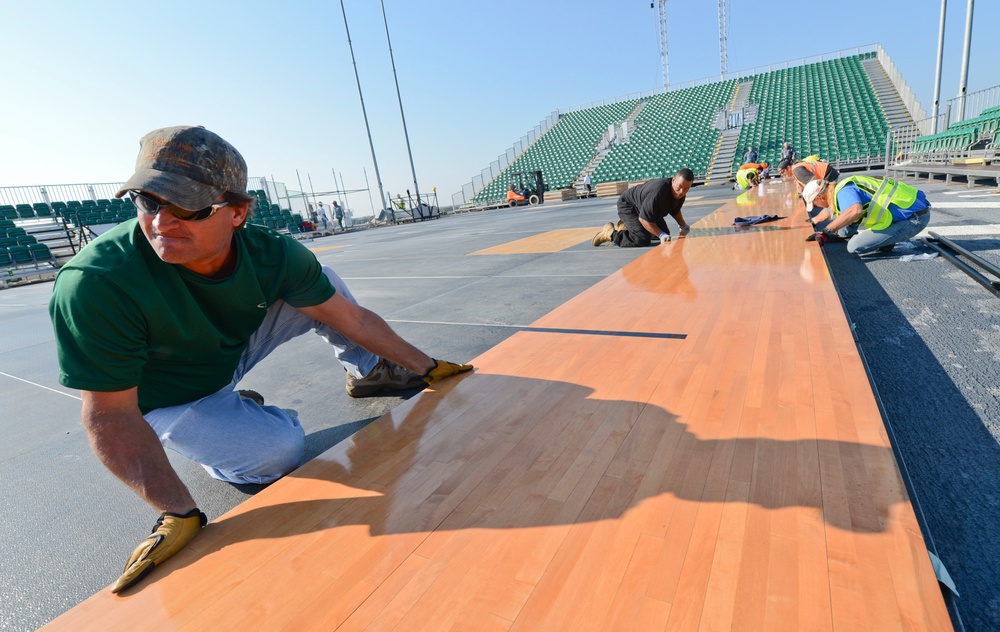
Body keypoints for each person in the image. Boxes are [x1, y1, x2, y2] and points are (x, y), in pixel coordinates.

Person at [47, 125, 473, 593]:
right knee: (276, 453)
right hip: (164, 397)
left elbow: (350, 318)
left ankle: (370, 373)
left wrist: (426, 365)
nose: (162, 222)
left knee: (319, 282)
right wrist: (177, 512)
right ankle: (219, 418)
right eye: (149, 202)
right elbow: (109, 414)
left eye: (187, 206)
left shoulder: (272, 254)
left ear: (238, 212)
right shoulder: (96, 283)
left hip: (225, 354)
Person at [801, 174, 931, 255]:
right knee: (842, 223)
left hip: (914, 219)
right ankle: (886, 239)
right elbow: (831, 211)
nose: (817, 207)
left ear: (820, 198)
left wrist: (826, 232)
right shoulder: (840, 188)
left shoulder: (844, 192)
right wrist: (814, 220)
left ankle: (889, 239)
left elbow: (855, 210)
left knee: (854, 246)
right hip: (913, 210)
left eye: (815, 204)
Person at [592, 168, 693, 247]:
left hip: (646, 208)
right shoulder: (659, 192)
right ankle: (610, 233)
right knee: (641, 239)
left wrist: (683, 225)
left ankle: (628, 226)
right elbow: (644, 219)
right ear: (673, 180)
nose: (681, 192)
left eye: (686, 189)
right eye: (679, 187)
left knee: (664, 233)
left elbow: (675, 210)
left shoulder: (680, 194)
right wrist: (661, 235)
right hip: (629, 205)